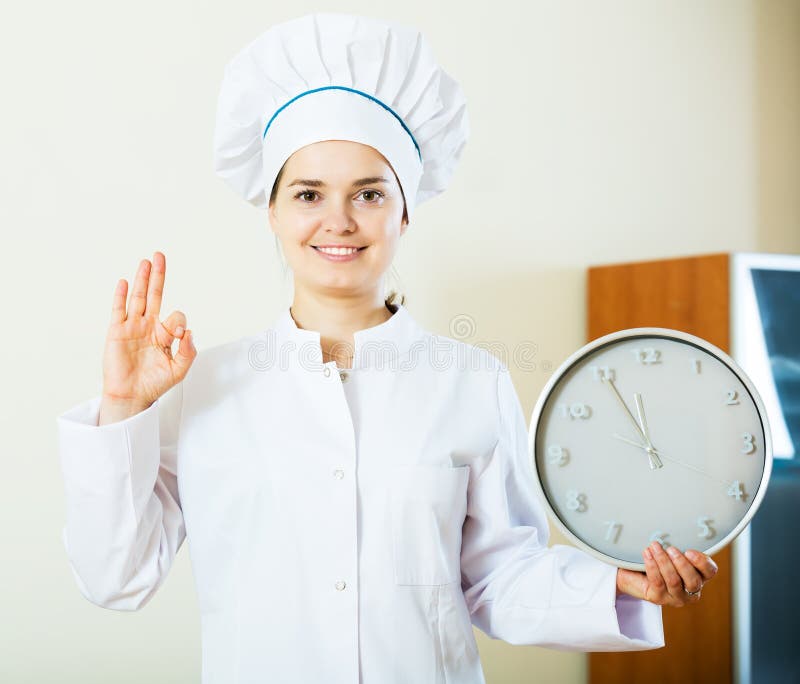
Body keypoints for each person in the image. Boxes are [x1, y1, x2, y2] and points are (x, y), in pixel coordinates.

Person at [56, 12, 718, 684]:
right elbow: (117, 578)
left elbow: (497, 577)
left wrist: (620, 587)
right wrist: (121, 408)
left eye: (369, 193)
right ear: (273, 211)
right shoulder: (202, 387)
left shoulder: (471, 380)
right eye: (308, 193)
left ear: (405, 210)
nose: (338, 220)